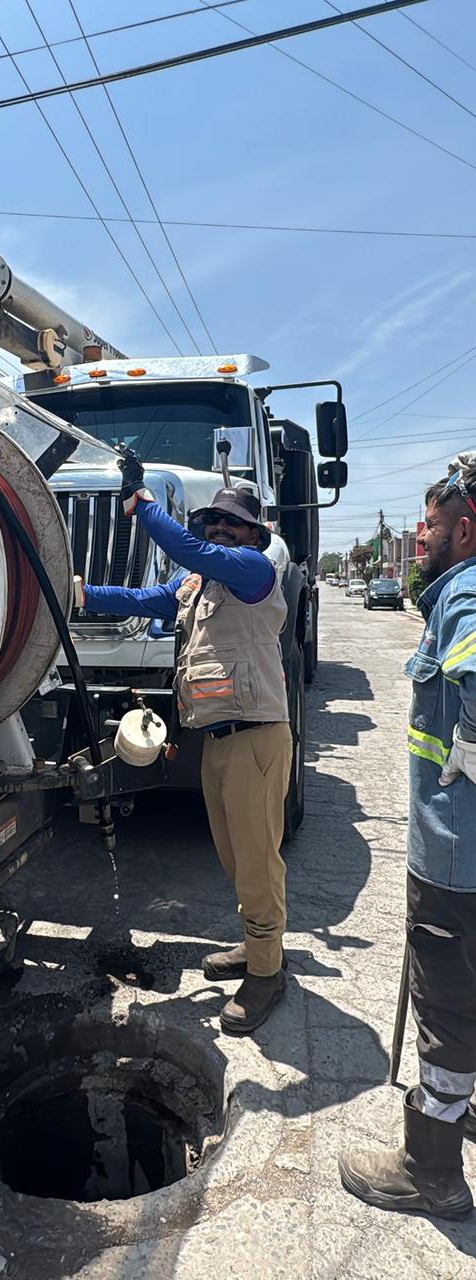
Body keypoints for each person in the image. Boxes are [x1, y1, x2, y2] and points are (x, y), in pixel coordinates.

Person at [74, 451, 292, 1033]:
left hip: (256, 738)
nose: (218, 528)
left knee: (256, 860)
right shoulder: (198, 581)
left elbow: (190, 550)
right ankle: (256, 945)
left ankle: (268, 972)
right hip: (218, 740)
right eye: (211, 522)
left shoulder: (253, 570)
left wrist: (144, 505)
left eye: (232, 523)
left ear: (255, 533)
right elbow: (147, 602)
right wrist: (84, 594)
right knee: (232, 855)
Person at [340, 453, 476, 1220]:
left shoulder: (467, 591)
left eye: (429, 526)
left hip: (455, 853)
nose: (420, 539)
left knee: (447, 1003)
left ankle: (432, 1170)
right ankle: (466, 1109)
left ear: (466, 527)